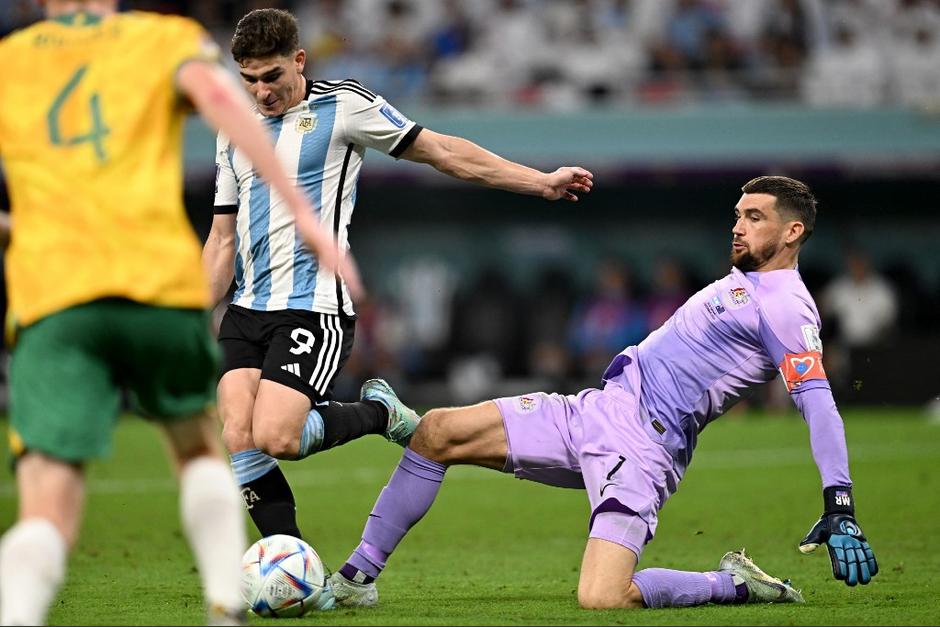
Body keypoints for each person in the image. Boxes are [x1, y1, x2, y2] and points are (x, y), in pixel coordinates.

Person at [328, 176, 879, 610]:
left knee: (602, 597)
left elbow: (818, 399)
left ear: (792, 233)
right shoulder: (747, 279)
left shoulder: (787, 304)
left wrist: (840, 502)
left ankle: (731, 583)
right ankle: (356, 579)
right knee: (436, 432)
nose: (737, 227)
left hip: (643, 450)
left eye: (754, 218)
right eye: (737, 215)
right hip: (600, 408)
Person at [0, 1, 357, 625]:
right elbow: (226, 108)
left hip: (53, 292)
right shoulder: (164, 39)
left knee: (46, 507)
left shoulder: (12, 61)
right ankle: (225, 605)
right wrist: (302, 213)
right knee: (203, 446)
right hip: (156, 284)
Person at [202, 8, 593, 541]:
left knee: (277, 437)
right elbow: (222, 239)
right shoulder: (234, 128)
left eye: (272, 77)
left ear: (299, 60)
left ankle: (378, 413)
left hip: (311, 306)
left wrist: (538, 182)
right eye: (249, 80)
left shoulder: (343, 105)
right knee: (238, 433)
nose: (261, 92)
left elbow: (441, 151)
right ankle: (288, 565)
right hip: (247, 308)